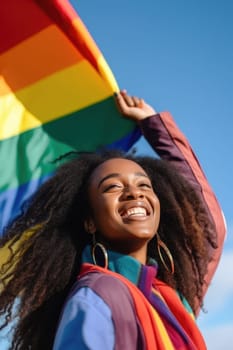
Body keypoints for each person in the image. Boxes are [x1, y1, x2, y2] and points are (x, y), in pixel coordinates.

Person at [0, 91, 226, 350]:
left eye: (144, 185)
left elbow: (204, 225)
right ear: (90, 222)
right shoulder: (97, 294)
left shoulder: (170, 300)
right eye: (112, 187)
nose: (134, 192)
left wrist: (156, 125)